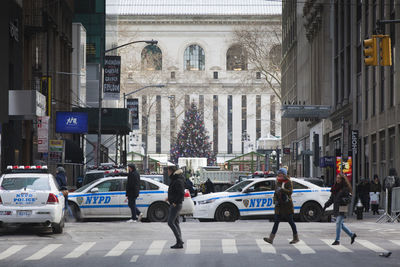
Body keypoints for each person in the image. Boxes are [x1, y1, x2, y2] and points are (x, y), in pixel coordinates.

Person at [263, 168, 299, 245]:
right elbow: (275, 193)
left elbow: (290, 192)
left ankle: (296, 238)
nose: (279, 175)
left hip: (287, 206)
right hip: (279, 206)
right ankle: (271, 239)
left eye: (281, 173)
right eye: (279, 173)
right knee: (276, 222)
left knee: (291, 221)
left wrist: (282, 189)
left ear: (284, 174)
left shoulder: (288, 182)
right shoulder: (278, 182)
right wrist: (275, 200)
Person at [323, 173, 357, 245]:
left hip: (342, 207)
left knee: (338, 223)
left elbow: (349, 198)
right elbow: (331, 199)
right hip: (336, 207)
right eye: (337, 178)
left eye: (339, 178)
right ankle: (352, 235)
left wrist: (344, 200)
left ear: (342, 179)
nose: (337, 179)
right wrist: (326, 205)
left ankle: (337, 240)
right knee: (340, 224)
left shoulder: (345, 188)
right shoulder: (335, 187)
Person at [166, 165, 185, 249]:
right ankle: (179, 241)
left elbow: (181, 193)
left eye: (168, 171)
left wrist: (174, 202)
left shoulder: (177, 180)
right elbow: (175, 192)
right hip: (175, 203)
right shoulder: (176, 179)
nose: (167, 172)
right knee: (176, 222)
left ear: (171, 171)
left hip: (176, 204)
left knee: (170, 222)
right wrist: (169, 198)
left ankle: (179, 241)